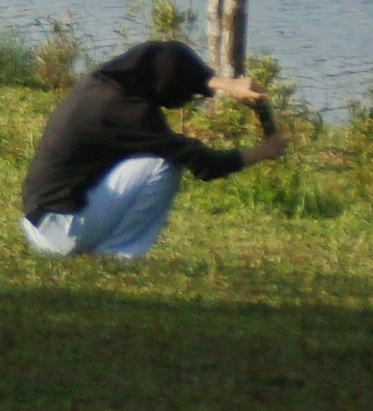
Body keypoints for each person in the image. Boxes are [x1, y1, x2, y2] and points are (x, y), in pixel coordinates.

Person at [19, 37, 272, 261]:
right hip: (61, 232)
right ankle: (116, 255)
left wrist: (228, 84)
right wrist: (263, 151)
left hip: (39, 224)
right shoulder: (129, 113)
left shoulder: (101, 82)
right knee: (164, 163)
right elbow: (203, 163)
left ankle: (102, 247)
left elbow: (172, 62)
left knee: (150, 157)